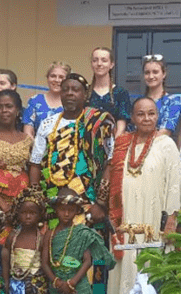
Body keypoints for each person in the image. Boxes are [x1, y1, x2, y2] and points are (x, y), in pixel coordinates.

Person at [106, 97, 181, 294]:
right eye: (141, 114)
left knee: (148, 276)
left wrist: (172, 220)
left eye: (151, 113)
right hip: (125, 223)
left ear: (157, 116)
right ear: (132, 118)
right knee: (125, 275)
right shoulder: (122, 144)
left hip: (152, 224)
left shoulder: (166, 144)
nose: (147, 118)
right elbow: (110, 181)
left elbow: (175, 184)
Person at [28, 72, 115, 226]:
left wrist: (101, 203)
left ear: (85, 95)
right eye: (65, 89)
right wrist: (38, 201)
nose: (69, 93)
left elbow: (110, 162)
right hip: (53, 202)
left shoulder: (98, 122)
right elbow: (35, 164)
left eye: (75, 90)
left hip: (89, 203)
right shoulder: (48, 124)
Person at [87, 47, 131, 136]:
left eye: (104, 60)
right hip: (88, 143)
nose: (99, 64)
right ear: (91, 64)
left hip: (113, 142)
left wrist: (114, 145)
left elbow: (121, 124)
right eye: (95, 60)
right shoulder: (85, 92)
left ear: (111, 64)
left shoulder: (120, 93)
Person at [23, 62, 70, 137]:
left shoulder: (71, 103)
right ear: (47, 78)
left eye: (61, 77)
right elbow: (27, 133)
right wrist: (39, 147)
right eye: (53, 76)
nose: (57, 80)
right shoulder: (35, 101)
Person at [141, 55, 181, 137]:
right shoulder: (139, 102)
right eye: (147, 73)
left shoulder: (173, 102)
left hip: (161, 147)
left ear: (164, 74)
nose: (151, 76)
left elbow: (165, 132)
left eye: (155, 72)